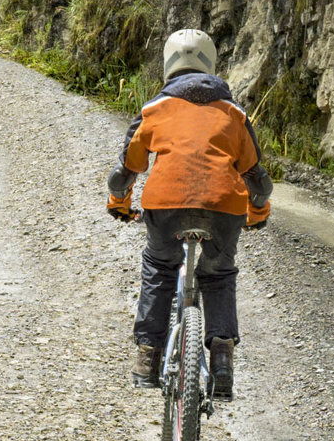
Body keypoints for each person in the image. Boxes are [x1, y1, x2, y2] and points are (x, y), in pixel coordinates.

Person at [106, 28, 272, 398]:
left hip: (165, 206)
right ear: (211, 65)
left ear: (168, 64)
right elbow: (257, 179)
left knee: (160, 269)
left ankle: (147, 357)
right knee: (218, 275)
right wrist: (257, 212)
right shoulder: (234, 113)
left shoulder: (154, 109)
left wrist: (119, 203)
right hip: (223, 209)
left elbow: (125, 171)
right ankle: (223, 360)